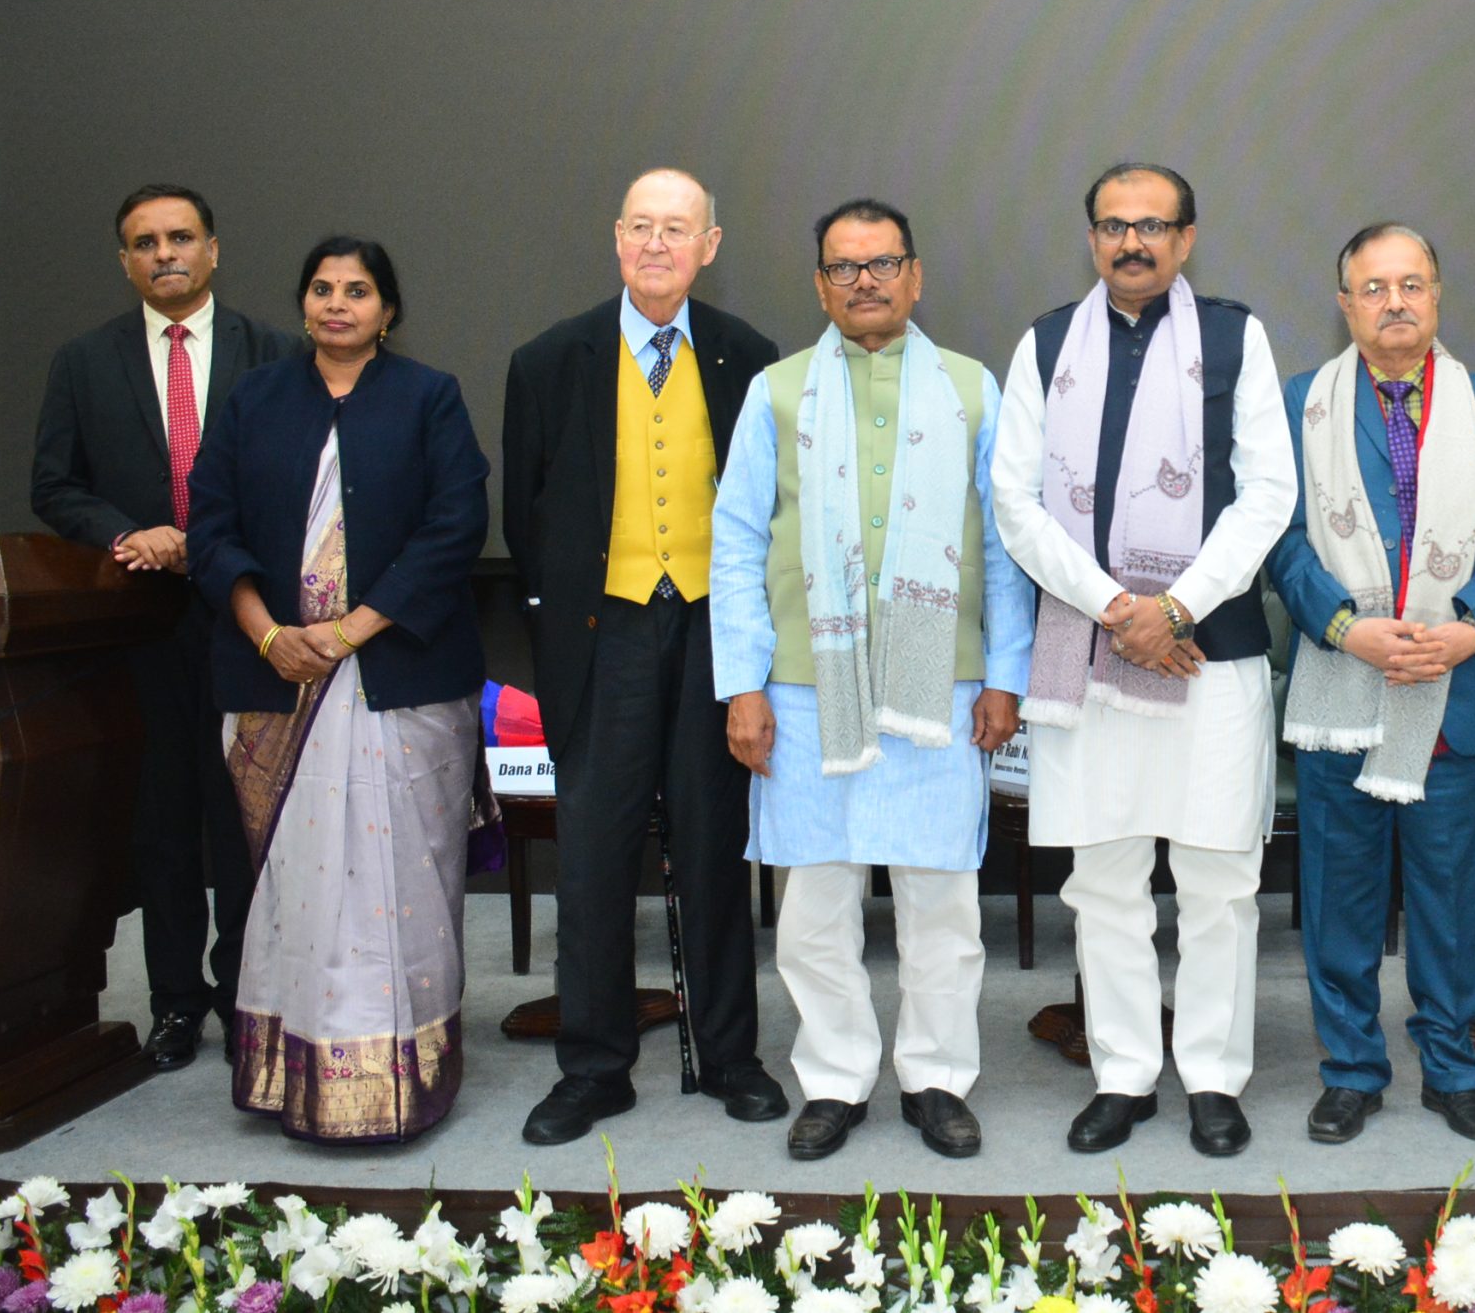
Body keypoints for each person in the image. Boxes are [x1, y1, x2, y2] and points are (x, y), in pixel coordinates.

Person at [709, 197, 1035, 1162]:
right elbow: (736, 542)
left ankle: (937, 1078)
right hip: (805, 687)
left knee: (942, 902)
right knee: (814, 903)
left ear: (915, 276)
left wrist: (1005, 675)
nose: (865, 281)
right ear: (820, 285)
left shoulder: (972, 388)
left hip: (942, 685)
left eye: (883, 263)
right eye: (844, 267)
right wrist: (743, 685)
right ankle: (835, 1078)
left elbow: (1006, 548)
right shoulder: (777, 392)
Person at [991, 160, 1294, 1158]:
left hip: (1211, 650)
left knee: (1218, 880)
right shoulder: (1045, 344)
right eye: (1115, 225)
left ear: (1186, 238)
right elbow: (1014, 501)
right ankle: (1121, 1073)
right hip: (1090, 647)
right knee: (1105, 879)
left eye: (1153, 225)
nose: (1133, 242)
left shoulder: (1235, 337)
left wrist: (1176, 607)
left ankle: (1211, 1076)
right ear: (1091, 239)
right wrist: (1120, 609)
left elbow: (1268, 492)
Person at [502, 169, 786, 1146]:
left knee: (712, 848)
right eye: (640, 227)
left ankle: (728, 1055)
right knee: (592, 860)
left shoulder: (748, 358)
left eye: (677, 228)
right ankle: (593, 1068)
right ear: (616, 238)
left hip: (714, 629)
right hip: (605, 634)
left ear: (710, 245)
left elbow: (769, 511)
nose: (656, 244)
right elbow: (528, 520)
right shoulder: (549, 361)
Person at [185, 237, 489, 1141]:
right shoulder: (255, 400)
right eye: (321, 288)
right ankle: (294, 1069)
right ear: (303, 302)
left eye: (357, 290)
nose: (337, 304)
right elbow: (211, 527)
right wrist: (269, 634)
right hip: (274, 676)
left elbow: (456, 524)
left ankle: (401, 1075)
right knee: (298, 886)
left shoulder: (428, 396)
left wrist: (351, 631)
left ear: (387, 310)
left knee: (402, 881)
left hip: (399, 677)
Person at [1268, 223, 1475, 1145]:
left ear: (1437, 295)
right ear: (1345, 303)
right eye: (1375, 287)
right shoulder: (1301, 402)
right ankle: (1351, 1069)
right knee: (1341, 895)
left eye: (1412, 284)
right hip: (1342, 680)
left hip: (1450, 685)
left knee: (1449, 897)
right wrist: (1344, 626)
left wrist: (1469, 629)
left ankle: (1454, 1066)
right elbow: (1281, 535)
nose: (1395, 302)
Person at [30, 184, 298, 1073]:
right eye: (144, 243)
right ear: (125, 261)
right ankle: (176, 1002)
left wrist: (219, 543)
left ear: (213, 249)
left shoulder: (274, 354)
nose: (164, 254)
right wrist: (126, 532)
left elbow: (301, 479)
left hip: (247, 616)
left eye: (180, 237)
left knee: (246, 816)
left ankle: (249, 994)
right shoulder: (83, 361)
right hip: (142, 623)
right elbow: (53, 484)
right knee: (164, 818)